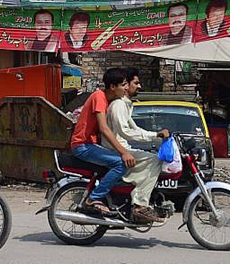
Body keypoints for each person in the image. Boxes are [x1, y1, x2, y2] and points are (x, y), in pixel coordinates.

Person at [104, 67, 170, 223]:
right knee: (155, 160)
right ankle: (140, 204)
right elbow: (126, 132)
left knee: (151, 158)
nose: (138, 86)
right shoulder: (118, 105)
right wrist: (155, 135)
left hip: (122, 147)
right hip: (116, 149)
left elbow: (135, 129)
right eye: (135, 83)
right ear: (124, 86)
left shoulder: (126, 105)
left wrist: (156, 137)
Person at [70, 67, 134, 216]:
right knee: (120, 163)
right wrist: (124, 153)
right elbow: (104, 129)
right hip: (82, 146)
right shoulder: (99, 97)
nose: (126, 88)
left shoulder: (110, 100)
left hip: (90, 144)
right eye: (123, 84)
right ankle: (94, 198)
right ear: (112, 86)